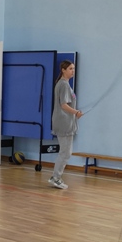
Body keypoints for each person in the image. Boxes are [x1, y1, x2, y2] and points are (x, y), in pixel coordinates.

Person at [49, 60, 82, 189]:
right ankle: (55, 177)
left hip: (67, 122)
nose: (73, 71)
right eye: (70, 69)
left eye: (73, 68)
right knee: (65, 152)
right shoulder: (63, 85)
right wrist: (76, 112)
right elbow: (63, 105)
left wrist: (75, 112)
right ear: (63, 70)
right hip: (63, 123)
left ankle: (56, 177)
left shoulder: (66, 84)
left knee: (66, 152)